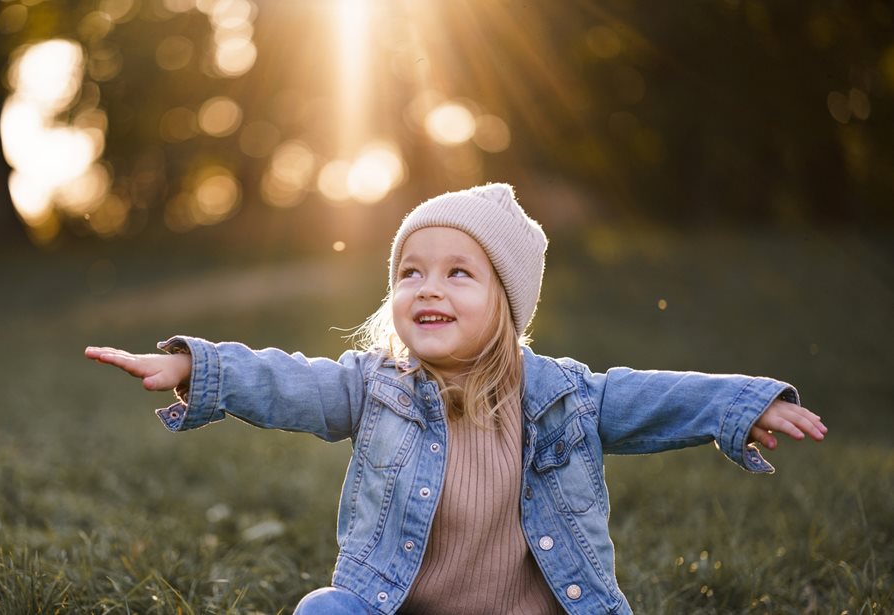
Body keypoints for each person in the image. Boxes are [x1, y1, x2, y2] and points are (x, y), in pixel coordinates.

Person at [84, 183, 826, 615]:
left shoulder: (562, 397)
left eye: (458, 273)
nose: (427, 286)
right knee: (323, 610)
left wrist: (741, 405)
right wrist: (194, 366)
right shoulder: (375, 387)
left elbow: (654, 398)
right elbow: (290, 381)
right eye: (410, 271)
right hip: (399, 606)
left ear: (507, 302)